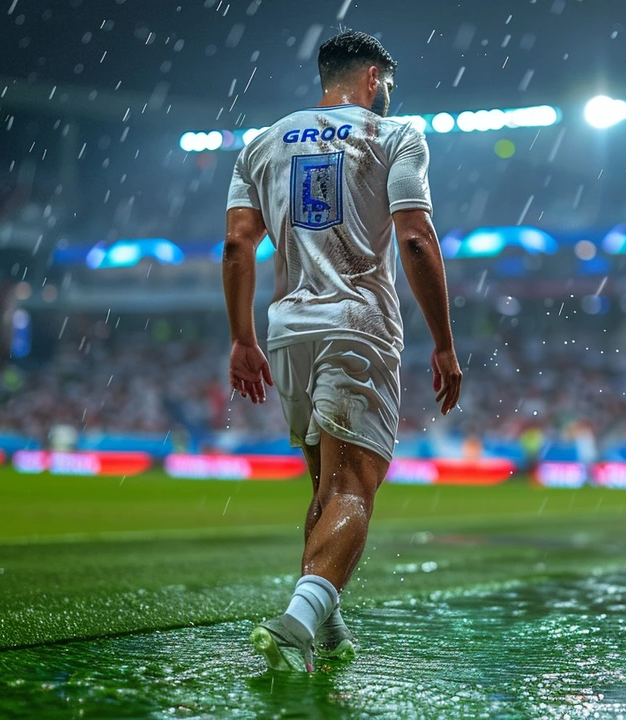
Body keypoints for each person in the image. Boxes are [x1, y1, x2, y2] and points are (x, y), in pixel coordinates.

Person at [223, 29, 462, 673]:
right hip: (357, 323)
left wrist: (243, 338)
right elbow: (415, 239)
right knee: (354, 487)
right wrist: (443, 341)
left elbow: (238, 246)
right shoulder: (395, 135)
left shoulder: (261, 142)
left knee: (326, 487)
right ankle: (297, 623)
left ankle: (328, 629)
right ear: (373, 79)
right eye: (386, 83)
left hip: (288, 330)